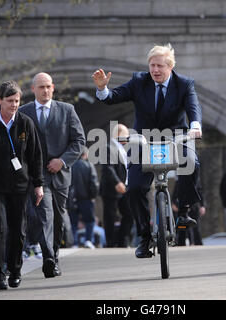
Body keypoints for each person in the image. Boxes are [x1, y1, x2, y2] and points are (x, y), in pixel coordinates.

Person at [92, 43, 202, 258]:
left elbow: (193, 107)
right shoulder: (139, 81)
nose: (155, 70)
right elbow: (114, 96)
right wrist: (103, 89)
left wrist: (195, 126)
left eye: (160, 66)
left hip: (176, 136)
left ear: (170, 66)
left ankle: (185, 210)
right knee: (134, 188)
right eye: (152, 65)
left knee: (192, 163)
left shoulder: (184, 84)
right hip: (144, 139)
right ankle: (144, 237)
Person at [0, 80, 44, 289]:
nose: (14, 105)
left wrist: (38, 184)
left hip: (19, 186)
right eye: (10, 101)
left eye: (17, 101)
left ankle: (15, 270)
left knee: (18, 230)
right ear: (0, 101)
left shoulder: (25, 123)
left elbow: (35, 156)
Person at [19, 72, 85, 278]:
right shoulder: (24, 112)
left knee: (58, 219)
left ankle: (53, 256)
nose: (45, 90)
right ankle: (48, 257)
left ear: (53, 88)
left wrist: (62, 160)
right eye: (41, 87)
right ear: (33, 90)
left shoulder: (67, 110)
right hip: (37, 176)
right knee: (44, 215)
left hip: (61, 175)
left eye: (48, 86)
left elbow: (79, 141)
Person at [100, 124, 133, 247]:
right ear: (119, 134)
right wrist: (117, 182)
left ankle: (121, 240)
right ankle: (110, 242)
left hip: (125, 188)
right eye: (126, 135)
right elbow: (108, 168)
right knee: (110, 217)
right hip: (111, 189)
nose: (128, 137)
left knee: (129, 214)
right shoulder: (108, 147)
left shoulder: (123, 149)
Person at [69, 147, 99, 249]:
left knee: (73, 222)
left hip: (72, 198)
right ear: (85, 154)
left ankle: (74, 243)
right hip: (87, 198)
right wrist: (93, 196)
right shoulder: (89, 166)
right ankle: (88, 240)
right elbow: (94, 183)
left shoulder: (70, 166)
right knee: (89, 221)